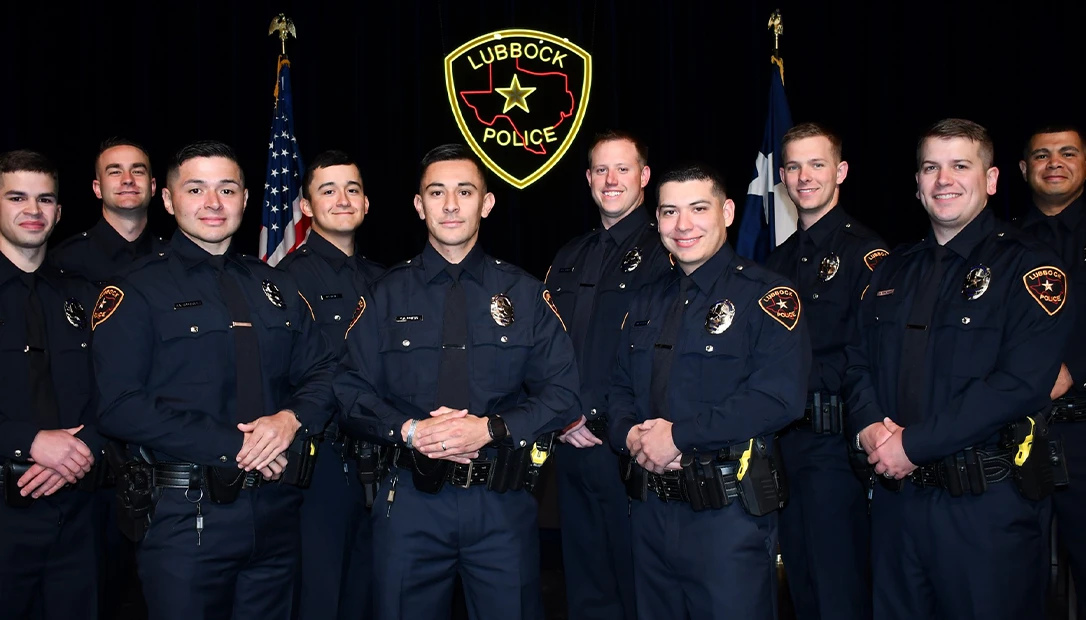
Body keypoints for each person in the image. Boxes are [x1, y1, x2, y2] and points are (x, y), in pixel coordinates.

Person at [334, 143, 580, 620]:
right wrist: (410, 430)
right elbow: (348, 389)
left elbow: (563, 391)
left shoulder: (525, 294)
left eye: (464, 192)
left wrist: (489, 429)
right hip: (407, 501)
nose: (450, 205)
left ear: (486, 204)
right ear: (418, 205)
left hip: (501, 502)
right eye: (436, 192)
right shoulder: (384, 294)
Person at [92, 140, 336, 620]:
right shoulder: (137, 289)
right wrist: (237, 447)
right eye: (196, 189)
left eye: (227, 189)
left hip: (276, 511)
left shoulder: (279, 286)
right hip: (186, 517)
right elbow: (120, 405)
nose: (213, 203)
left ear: (246, 199)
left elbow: (326, 372)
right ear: (168, 200)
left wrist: (290, 419)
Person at [846, 118, 1072, 619]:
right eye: (931, 167)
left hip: (985, 507)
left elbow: (1020, 384)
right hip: (895, 503)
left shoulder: (1030, 268)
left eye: (960, 166)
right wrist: (867, 427)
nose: (943, 179)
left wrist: (912, 445)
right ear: (918, 183)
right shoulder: (891, 269)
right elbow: (856, 359)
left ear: (990, 180)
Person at [608, 163, 810, 620]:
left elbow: (779, 398)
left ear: (729, 211)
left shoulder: (768, 295)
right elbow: (618, 386)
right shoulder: (645, 299)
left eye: (699, 209)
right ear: (655, 220)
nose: (683, 225)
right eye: (669, 212)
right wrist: (630, 437)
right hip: (650, 510)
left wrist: (679, 437)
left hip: (727, 517)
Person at [544, 130, 672, 620]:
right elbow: (548, 345)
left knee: (640, 586)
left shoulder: (667, 248)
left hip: (630, 446)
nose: (611, 179)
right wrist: (560, 413)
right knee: (585, 585)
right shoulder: (568, 256)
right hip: (570, 445)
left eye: (623, 169)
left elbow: (660, 354)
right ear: (588, 180)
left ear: (643, 177)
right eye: (601, 169)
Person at [765, 122, 887, 620]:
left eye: (816, 164)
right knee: (802, 586)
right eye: (793, 166)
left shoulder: (868, 254)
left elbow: (870, 354)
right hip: (783, 446)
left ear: (840, 171)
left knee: (839, 589)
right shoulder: (776, 261)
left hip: (835, 447)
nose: (804, 176)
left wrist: (788, 380)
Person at [277, 150, 383, 620]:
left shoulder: (387, 281)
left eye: (352, 190)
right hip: (321, 462)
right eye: (327, 190)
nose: (342, 200)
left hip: (384, 460)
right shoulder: (283, 282)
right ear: (305, 207)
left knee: (371, 593)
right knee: (321, 596)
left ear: (366, 204)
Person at [0, 149, 104, 619]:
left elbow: (115, 389)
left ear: (60, 212)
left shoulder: (82, 295)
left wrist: (82, 453)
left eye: (45, 200)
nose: (33, 210)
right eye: (17, 197)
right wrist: (30, 442)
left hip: (78, 512)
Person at [1014, 123, 1086, 618]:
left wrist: (1074, 370)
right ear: (1023, 169)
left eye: (1066, 153)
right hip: (1021, 431)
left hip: (1085, 428)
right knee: (1018, 579)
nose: (1053, 162)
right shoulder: (1003, 243)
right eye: (1041, 155)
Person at [50, 137, 166, 286]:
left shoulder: (174, 257)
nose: (128, 180)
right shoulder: (64, 261)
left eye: (137, 171)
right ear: (97, 189)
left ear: (153, 186)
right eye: (115, 172)